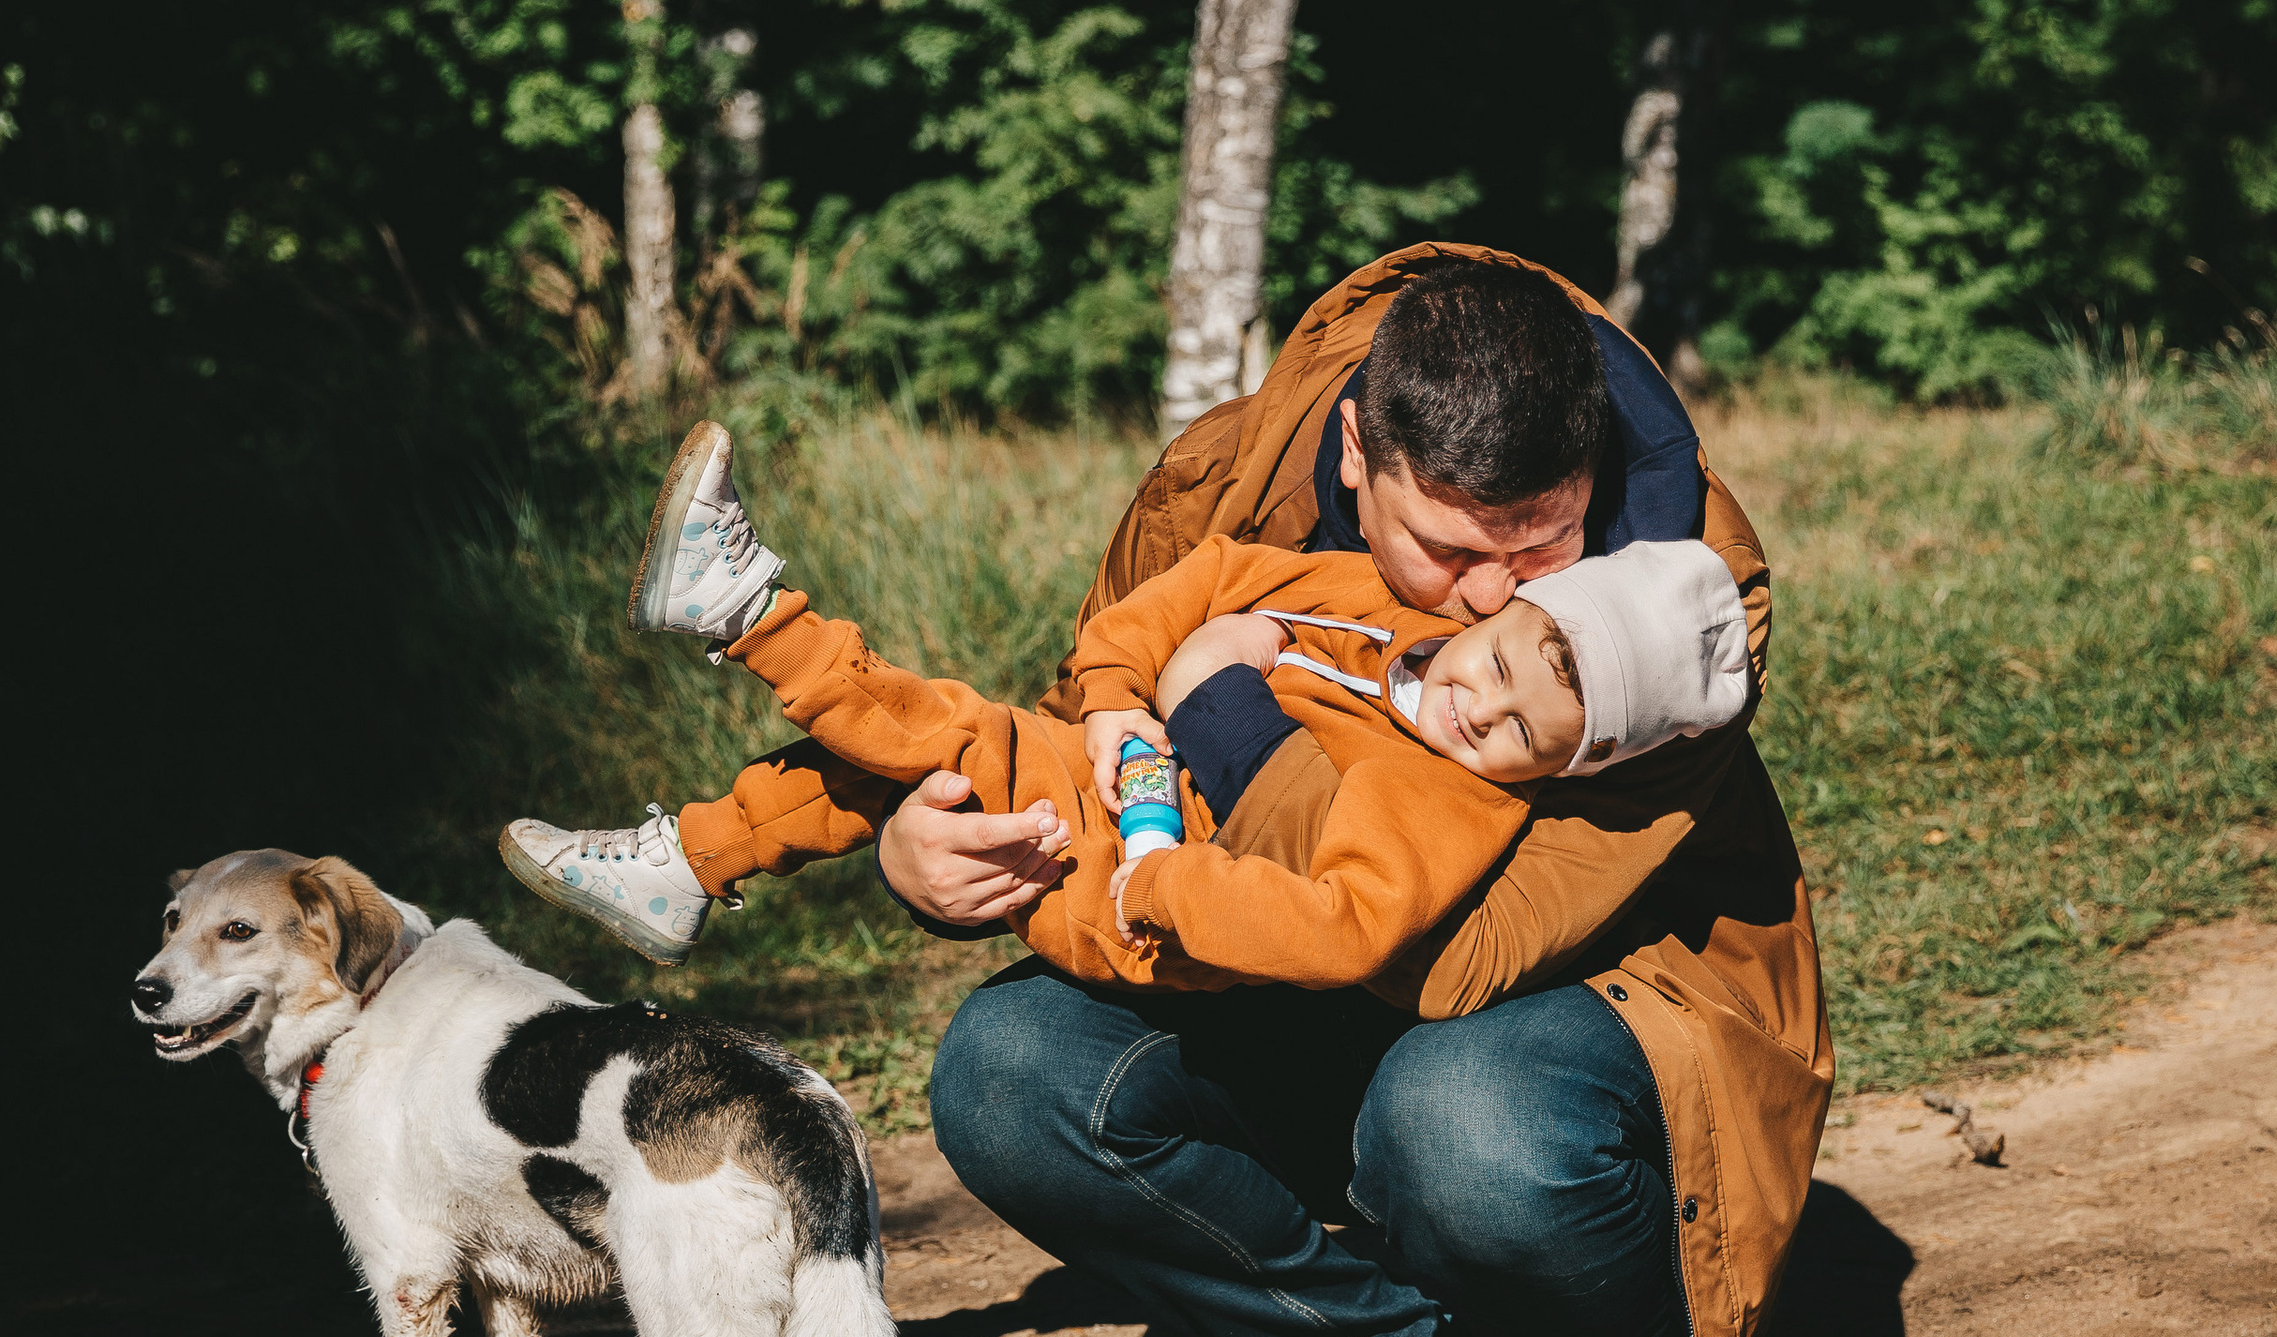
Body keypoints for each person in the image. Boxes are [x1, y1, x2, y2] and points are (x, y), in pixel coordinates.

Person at [535, 247, 1828, 1337]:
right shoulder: (1232, 480)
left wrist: (1219, 716)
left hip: (1584, 987)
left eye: (1534, 552)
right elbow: (1089, 719)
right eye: (1448, 551)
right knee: (1013, 1069)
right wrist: (931, 848)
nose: (1483, 606)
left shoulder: (1669, 606)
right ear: (1356, 446)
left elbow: (1455, 955)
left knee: (1451, 1108)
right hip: (1244, 915)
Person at [502, 453, 1748, 999]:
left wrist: (1160, 881)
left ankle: (750, 614)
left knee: (944, 732)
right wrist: (1113, 702)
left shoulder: (1448, 802)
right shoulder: (1359, 596)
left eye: (1524, 730)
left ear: (1558, 769)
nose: (1483, 703)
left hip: (1128, 904)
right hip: (1123, 779)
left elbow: (1340, 931)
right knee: (909, 762)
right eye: (1512, 657)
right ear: (1521, 605)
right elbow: (1199, 584)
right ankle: (690, 863)